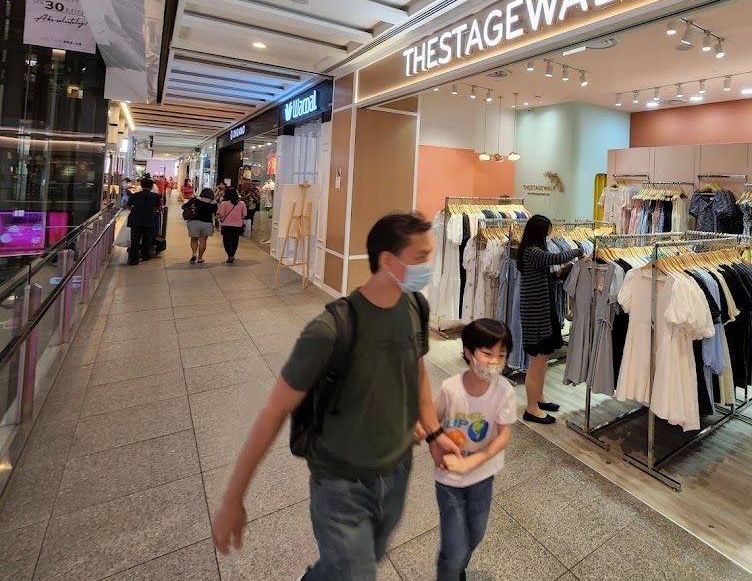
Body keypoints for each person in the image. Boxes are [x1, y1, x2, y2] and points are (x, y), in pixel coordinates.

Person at [211, 212, 460, 578]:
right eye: (420, 257)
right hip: (340, 483)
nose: (429, 265)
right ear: (388, 261)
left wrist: (435, 432)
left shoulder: (414, 307)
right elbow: (274, 411)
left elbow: (417, 370)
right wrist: (233, 499)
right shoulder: (330, 330)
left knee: (355, 562)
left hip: (397, 470)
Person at [434, 318, 515, 581]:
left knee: (476, 534)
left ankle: (456, 568)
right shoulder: (450, 388)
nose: (494, 361)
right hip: (449, 479)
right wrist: (436, 452)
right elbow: (431, 423)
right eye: (487, 353)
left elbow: (503, 436)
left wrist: (473, 462)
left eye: (501, 355)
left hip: (482, 477)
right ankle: (451, 570)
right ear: (469, 352)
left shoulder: (504, 391)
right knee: (454, 547)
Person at [515, 215, 584, 424]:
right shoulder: (531, 251)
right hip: (535, 313)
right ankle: (531, 408)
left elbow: (546, 275)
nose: (549, 235)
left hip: (543, 310)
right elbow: (555, 258)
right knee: (536, 362)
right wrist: (579, 251)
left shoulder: (533, 251)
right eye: (547, 231)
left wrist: (560, 275)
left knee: (543, 359)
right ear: (539, 232)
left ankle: (539, 398)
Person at [126, 177, 159, 265]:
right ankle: (145, 255)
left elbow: (128, 206)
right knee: (147, 238)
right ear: (152, 186)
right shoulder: (155, 196)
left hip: (135, 219)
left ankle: (133, 259)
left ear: (141, 185)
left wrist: (135, 211)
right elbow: (157, 208)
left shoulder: (134, 195)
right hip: (148, 219)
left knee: (135, 240)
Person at [182, 187, 217, 264]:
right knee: (203, 241)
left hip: (194, 222)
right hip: (207, 223)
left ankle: (194, 253)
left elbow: (183, 207)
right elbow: (215, 212)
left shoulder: (195, 200)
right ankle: (200, 258)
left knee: (194, 239)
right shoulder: (213, 203)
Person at [217, 187, 248, 264]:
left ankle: (230, 255)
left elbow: (221, 214)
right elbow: (244, 214)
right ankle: (232, 254)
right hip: (238, 225)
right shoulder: (242, 203)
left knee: (227, 241)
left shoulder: (224, 203)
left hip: (226, 225)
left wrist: (221, 218)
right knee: (235, 240)